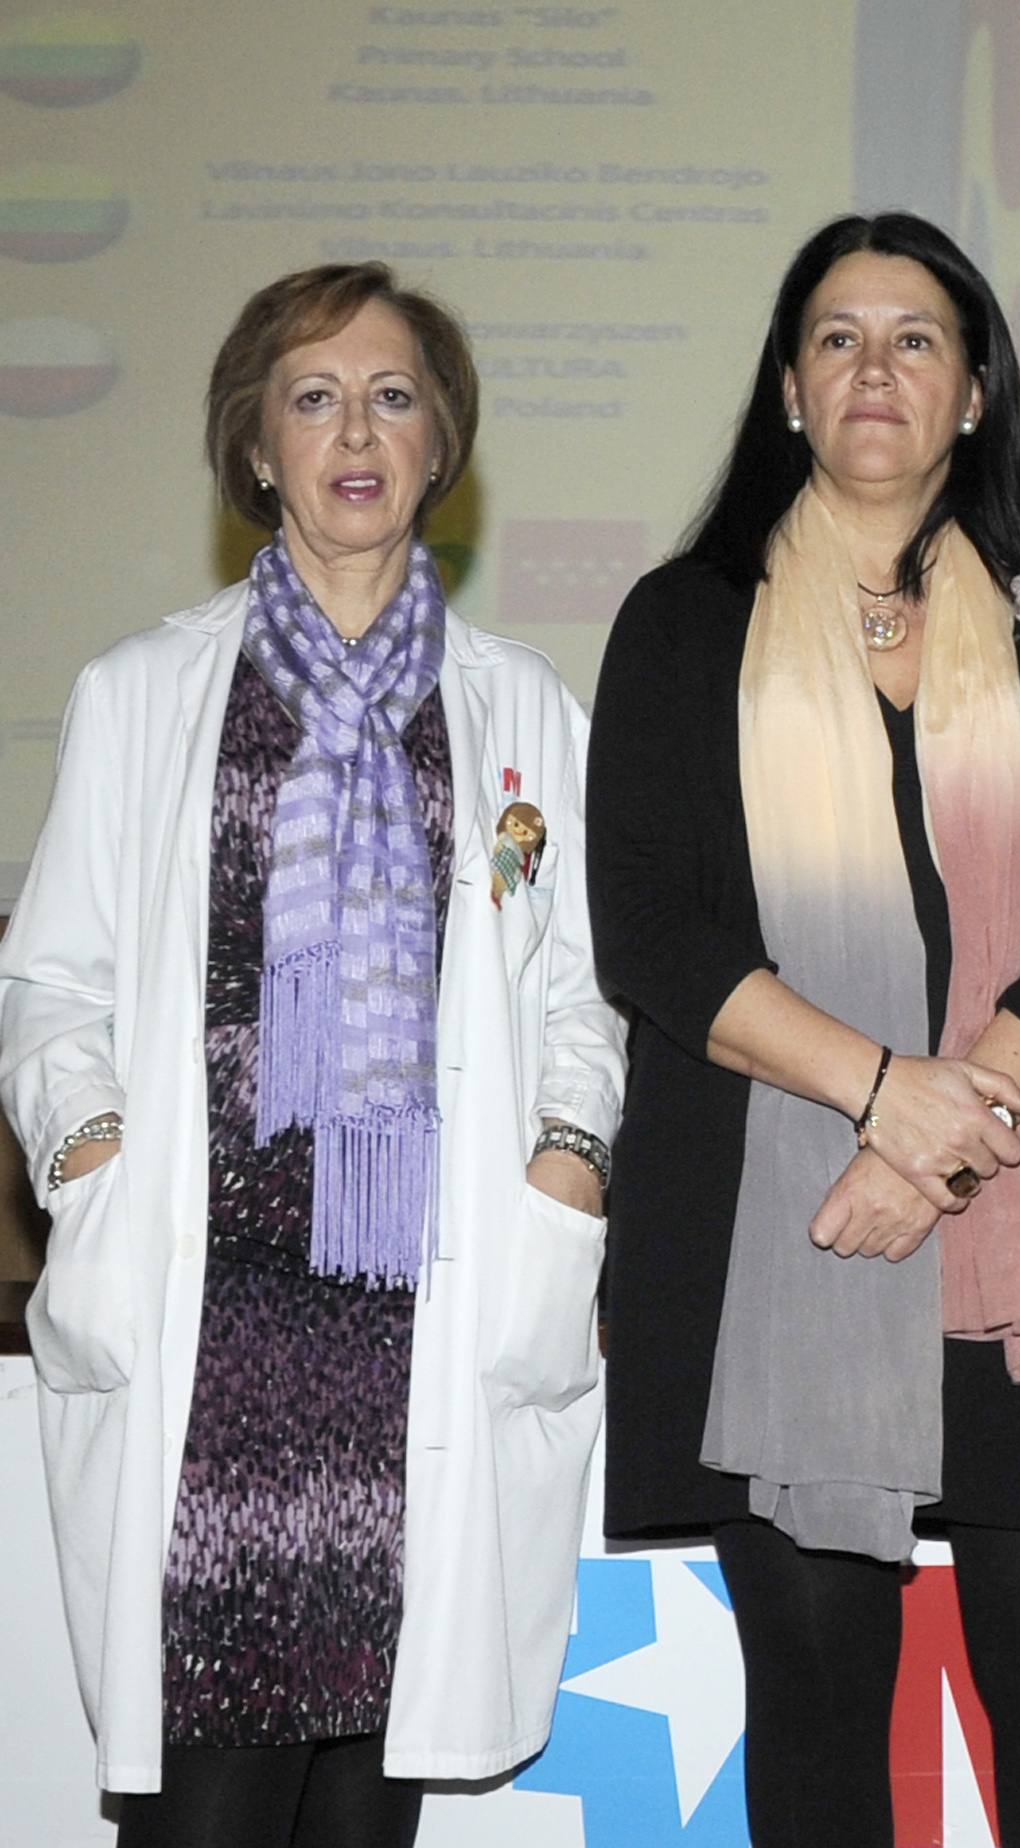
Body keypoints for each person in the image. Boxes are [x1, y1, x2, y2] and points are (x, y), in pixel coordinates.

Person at [0, 263, 624, 1847]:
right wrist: (89, 1156)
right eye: (315, 396)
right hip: (209, 1333)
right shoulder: (143, 694)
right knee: (205, 1808)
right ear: (256, 446)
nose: (357, 430)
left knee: (363, 1811)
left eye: (394, 396)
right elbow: (53, 980)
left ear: (440, 444)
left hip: (421, 1323)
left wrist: (567, 1159)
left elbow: (585, 994)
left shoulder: (520, 710)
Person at [585, 212, 1020, 1848]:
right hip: (776, 1228)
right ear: (788, 387)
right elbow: (650, 932)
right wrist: (882, 1096)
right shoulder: (682, 624)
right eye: (837, 337)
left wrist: (940, 1138)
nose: (875, 368)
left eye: (917, 338)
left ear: (974, 391)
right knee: (822, 1717)